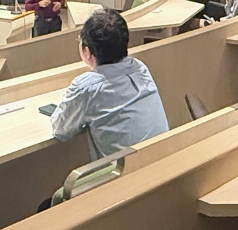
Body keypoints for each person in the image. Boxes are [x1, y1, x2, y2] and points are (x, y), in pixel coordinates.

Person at [50, 9, 169, 159]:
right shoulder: (140, 68)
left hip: (125, 171)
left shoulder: (86, 87)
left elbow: (60, 129)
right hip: (161, 159)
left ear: (87, 52)